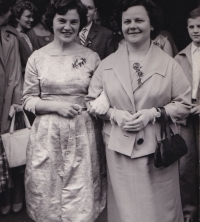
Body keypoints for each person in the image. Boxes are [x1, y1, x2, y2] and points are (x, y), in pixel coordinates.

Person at [86, 0, 191, 221]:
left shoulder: (170, 64)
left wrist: (154, 114)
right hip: (119, 150)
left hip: (158, 150)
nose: (133, 26)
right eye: (127, 21)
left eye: (139, 20)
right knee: (126, 212)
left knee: (159, 210)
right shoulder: (106, 65)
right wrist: (114, 114)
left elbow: (184, 104)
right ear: (121, 26)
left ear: (152, 25)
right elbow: (91, 102)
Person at [22, 0, 106, 221]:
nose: (67, 26)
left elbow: (100, 95)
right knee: (47, 193)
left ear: (80, 24)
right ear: (52, 21)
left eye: (73, 22)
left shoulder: (91, 57)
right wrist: (56, 106)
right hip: (47, 134)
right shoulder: (37, 57)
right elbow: (28, 100)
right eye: (62, 20)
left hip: (83, 132)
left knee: (81, 192)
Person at [174, 7, 200, 222]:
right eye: (191, 27)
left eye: (199, 26)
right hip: (185, 119)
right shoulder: (180, 56)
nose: (195, 31)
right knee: (185, 169)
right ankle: (189, 216)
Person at [0, 0, 23, 215]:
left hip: (5, 101)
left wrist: (16, 103)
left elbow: (16, 73)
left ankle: (13, 194)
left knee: (10, 148)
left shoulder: (11, 36)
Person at [11, 0, 37, 76]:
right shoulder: (14, 36)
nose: (31, 20)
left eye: (32, 17)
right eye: (28, 16)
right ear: (17, 18)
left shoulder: (25, 35)